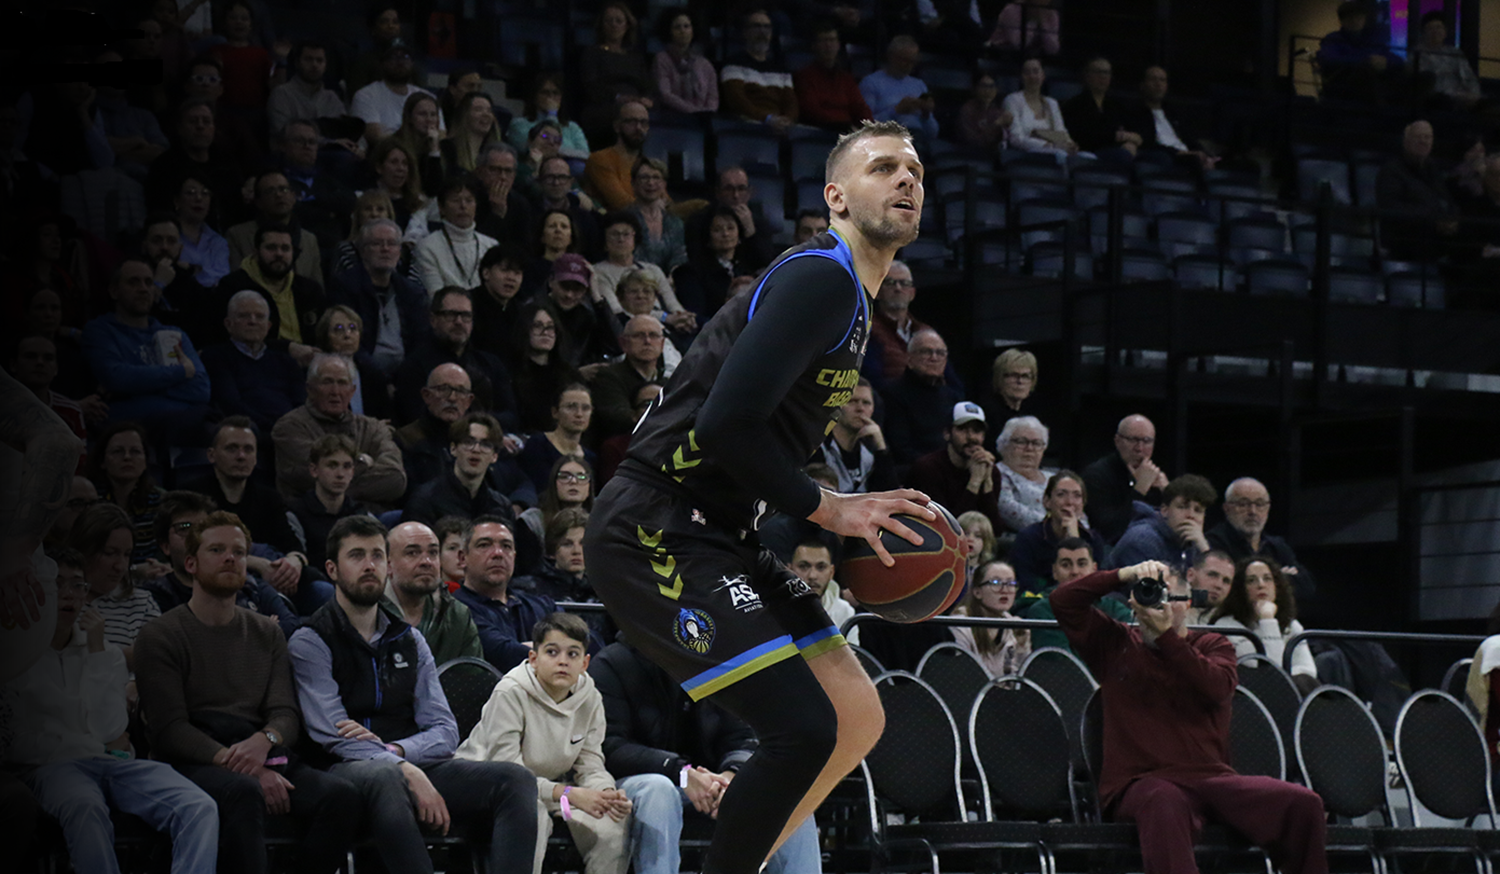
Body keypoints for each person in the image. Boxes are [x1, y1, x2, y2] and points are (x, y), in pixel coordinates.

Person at [584, 120, 934, 874]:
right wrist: (830, 509)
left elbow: (766, 435)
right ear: (836, 196)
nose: (907, 179)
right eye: (884, 168)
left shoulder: (854, 298)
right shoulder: (822, 278)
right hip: (655, 523)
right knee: (804, 728)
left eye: (914, 169)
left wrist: (838, 493)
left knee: (855, 717)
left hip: (718, 527)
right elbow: (724, 427)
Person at [288, 515, 539, 874]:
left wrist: (399, 752)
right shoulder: (311, 639)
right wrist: (402, 768)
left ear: (388, 567)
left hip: (407, 759)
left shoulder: (409, 639)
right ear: (332, 569)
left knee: (515, 780)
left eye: (376, 556)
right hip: (342, 769)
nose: (369, 565)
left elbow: (444, 728)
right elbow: (333, 733)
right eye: (356, 556)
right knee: (385, 777)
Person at [1051, 557, 1330, 874]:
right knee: (1163, 801)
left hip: (1213, 779)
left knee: (1304, 804)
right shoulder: (1115, 643)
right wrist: (1123, 574)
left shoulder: (1213, 644)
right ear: (1133, 600)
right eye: (1153, 594)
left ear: (1190, 605)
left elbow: (1215, 689)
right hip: (1142, 783)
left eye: (1172, 596)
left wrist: (1167, 638)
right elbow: (1063, 600)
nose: (1162, 604)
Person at [135, 511, 362, 874]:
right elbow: (169, 729)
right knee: (241, 793)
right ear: (190, 563)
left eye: (239, 552)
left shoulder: (266, 632)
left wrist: (264, 741)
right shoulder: (160, 635)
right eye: (217, 550)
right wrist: (245, 767)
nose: (230, 558)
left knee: (341, 797)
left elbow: (285, 713)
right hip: (194, 758)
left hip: (261, 748)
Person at [2, 546, 220, 874]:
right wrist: (75, 744)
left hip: (107, 761)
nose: (69, 595)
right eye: (57, 584)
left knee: (199, 805)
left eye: (78, 585)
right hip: (49, 768)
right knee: (84, 805)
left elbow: (109, 727)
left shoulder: (100, 651)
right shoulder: (16, 652)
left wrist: (97, 652)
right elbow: (16, 744)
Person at [589, 638, 825, 874]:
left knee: (789, 799)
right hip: (636, 783)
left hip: (710, 783)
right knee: (657, 790)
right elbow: (611, 747)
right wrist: (681, 772)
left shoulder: (716, 661)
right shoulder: (613, 663)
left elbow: (745, 734)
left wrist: (732, 775)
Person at [456, 612, 633, 874]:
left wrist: (604, 793)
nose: (562, 661)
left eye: (572, 654)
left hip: (550, 791)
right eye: (552, 652)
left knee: (611, 823)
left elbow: (590, 761)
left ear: (585, 663)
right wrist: (571, 794)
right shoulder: (510, 692)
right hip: (490, 788)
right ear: (534, 659)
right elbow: (507, 774)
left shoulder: (591, 696)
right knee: (531, 815)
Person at [182, 417, 319, 610]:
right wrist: (257, 564)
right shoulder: (192, 496)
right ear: (211, 455)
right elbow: (191, 549)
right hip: (219, 586)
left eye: (248, 449)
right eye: (232, 448)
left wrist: (294, 562)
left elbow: (293, 546)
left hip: (276, 581)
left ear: (255, 457)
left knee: (324, 592)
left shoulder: (270, 497)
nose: (241, 456)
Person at [140, 490, 299, 637]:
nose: (196, 536)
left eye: (203, 527)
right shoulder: (154, 596)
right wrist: (263, 629)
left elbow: (291, 625)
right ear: (165, 546)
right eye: (185, 528)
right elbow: (182, 641)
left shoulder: (252, 586)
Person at [81, 259, 211, 432]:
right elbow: (116, 378)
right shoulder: (99, 331)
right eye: (133, 282)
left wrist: (134, 388)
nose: (143, 289)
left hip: (184, 424)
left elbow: (201, 389)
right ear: (114, 291)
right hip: (128, 429)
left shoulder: (174, 333)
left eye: (148, 282)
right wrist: (180, 372)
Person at [271, 354, 408, 506]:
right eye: (327, 382)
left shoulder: (372, 428)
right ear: (310, 389)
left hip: (370, 520)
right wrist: (363, 462)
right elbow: (310, 478)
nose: (335, 391)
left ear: (352, 391)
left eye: (342, 383)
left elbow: (395, 480)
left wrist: (334, 484)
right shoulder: (290, 427)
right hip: (312, 518)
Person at [394, 286, 519, 428]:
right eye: (450, 315)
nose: (459, 321)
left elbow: (511, 417)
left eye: (466, 316)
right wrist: (483, 425)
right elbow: (417, 419)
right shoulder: (414, 367)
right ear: (433, 319)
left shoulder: (490, 364)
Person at [326, 218, 430, 380]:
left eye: (392, 244)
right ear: (363, 250)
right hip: (360, 374)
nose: (385, 249)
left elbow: (421, 343)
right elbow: (349, 344)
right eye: (377, 243)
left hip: (407, 377)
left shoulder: (412, 292)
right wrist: (380, 380)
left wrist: (404, 379)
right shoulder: (345, 286)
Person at [454, 516, 558, 671]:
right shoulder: (454, 609)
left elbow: (587, 642)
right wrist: (560, 651)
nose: (498, 553)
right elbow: (505, 654)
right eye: (484, 545)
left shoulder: (542, 605)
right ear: (463, 558)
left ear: (514, 557)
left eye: (506, 546)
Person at [202, 291, 306, 435]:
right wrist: (276, 428)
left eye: (259, 316)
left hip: (291, 432)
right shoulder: (216, 357)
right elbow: (230, 405)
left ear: (268, 326)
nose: (253, 321)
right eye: (244, 316)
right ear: (228, 324)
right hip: (247, 432)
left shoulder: (286, 361)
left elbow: (301, 404)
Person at [1208, 477, 1317, 608]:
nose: (1253, 512)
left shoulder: (1276, 545)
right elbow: (1229, 590)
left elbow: (1307, 587)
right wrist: (1280, 577)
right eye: (1243, 504)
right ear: (1227, 508)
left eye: (1259, 504)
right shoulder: (1214, 542)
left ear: (1268, 508)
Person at [1211, 558, 1318, 689]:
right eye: (1251, 580)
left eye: (1267, 579)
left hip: (1290, 695)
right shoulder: (1227, 626)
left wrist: (1288, 678)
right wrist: (1267, 619)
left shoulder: (1292, 625)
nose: (1261, 585)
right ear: (1241, 589)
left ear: (1276, 587)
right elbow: (1270, 673)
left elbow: (1308, 671)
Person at [403, 413, 525, 528]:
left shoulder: (502, 507)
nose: (476, 449)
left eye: (486, 445)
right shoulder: (424, 501)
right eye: (468, 442)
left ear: (495, 456)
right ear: (453, 449)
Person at [220, 222, 326, 349]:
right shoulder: (233, 286)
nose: (279, 254)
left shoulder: (310, 289)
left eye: (285, 248)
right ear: (256, 251)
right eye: (271, 248)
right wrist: (287, 348)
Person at [1018, 537, 1134, 652]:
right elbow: (1058, 661)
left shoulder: (1113, 607)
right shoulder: (1042, 611)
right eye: (1066, 565)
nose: (1075, 571)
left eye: (1082, 564)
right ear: (1054, 571)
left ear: (1094, 569)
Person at [1009, 470, 1109, 596]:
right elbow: (1025, 585)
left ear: (1083, 504)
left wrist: (1075, 539)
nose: (1069, 502)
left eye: (1077, 496)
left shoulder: (1093, 539)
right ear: (1047, 501)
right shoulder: (1028, 538)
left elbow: (1099, 583)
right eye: (1061, 495)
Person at [906, 402, 1002, 531]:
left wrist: (987, 484)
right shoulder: (928, 468)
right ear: (947, 433)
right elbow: (945, 527)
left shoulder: (991, 470)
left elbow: (995, 530)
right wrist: (974, 483)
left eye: (977, 431)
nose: (971, 437)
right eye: (962, 429)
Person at [87, 421, 168, 568]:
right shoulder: (89, 500)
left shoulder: (162, 501)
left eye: (135, 451)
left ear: (145, 461)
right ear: (102, 461)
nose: (127, 457)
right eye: (117, 451)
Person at [1376, 120, 1460, 261]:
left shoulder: (1432, 168)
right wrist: (1434, 220)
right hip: (1404, 246)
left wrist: (1453, 219)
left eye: (1427, 137)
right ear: (1406, 140)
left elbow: (1447, 200)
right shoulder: (1390, 171)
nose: (1423, 141)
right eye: (1418, 136)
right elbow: (1391, 209)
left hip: (1434, 244)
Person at [287, 434, 370, 574]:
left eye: (347, 466)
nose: (340, 474)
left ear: (353, 471)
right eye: (332, 465)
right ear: (314, 470)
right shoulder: (296, 512)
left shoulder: (360, 513)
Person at [225, 171, 325, 288]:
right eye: (270, 191)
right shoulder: (237, 235)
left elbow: (318, 286)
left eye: (283, 189)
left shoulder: (309, 240)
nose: (278, 195)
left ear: (293, 196)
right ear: (258, 201)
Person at [1081, 414, 1169, 545]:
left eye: (1146, 441)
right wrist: (1139, 491)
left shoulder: (1157, 477)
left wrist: (1168, 492)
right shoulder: (1096, 475)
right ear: (1117, 441)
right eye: (1133, 440)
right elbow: (1108, 531)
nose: (1140, 448)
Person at [882, 328, 964, 465]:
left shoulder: (953, 397)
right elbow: (900, 449)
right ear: (909, 358)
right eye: (926, 352)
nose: (934, 358)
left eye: (940, 353)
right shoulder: (891, 394)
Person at [577, 3, 656, 144]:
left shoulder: (635, 57)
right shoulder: (592, 53)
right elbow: (591, 86)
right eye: (609, 21)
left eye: (618, 21)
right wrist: (620, 98)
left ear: (627, 26)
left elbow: (647, 86)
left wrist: (646, 99)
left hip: (635, 105)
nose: (614, 25)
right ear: (602, 25)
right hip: (604, 106)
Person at [673, 206, 766, 320]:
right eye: (717, 230)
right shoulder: (690, 272)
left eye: (731, 228)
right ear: (707, 235)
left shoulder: (746, 269)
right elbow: (696, 316)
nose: (725, 234)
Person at [1111, 474, 1216, 570]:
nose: (1191, 515)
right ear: (1165, 510)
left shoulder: (1196, 544)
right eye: (1182, 507)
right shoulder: (1142, 540)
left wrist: (1204, 549)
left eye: (1198, 510)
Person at [591, 212, 683, 320]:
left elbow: (672, 303)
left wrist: (682, 317)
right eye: (615, 234)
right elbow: (617, 310)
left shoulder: (653, 269)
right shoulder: (598, 271)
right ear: (605, 241)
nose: (621, 239)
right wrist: (665, 318)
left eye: (626, 234)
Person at [415, 176, 499, 294]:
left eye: (469, 200)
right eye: (455, 200)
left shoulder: (492, 246)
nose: (463, 206)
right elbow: (435, 296)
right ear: (441, 208)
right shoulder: (427, 247)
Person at [721, 8, 798, 134]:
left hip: (780, 127)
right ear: (745, 32)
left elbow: (791, 102)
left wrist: (787, 120)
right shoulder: (733, 64)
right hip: (748, 127)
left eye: (767, 27)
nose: (762, 32)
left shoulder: (781, 68)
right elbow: (737, 101)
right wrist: (767, 119)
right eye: (756, 26)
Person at [1060, 56, 1149, 164]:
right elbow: (1084, 136)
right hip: (1090, 152)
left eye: (1106, 73)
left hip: (1117, 150)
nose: (1103, 76)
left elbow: (1133, 131)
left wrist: (1132, 141)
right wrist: (1117, 137)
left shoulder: (1116, 105)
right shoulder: (1074, 105)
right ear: (1087, 75)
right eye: (1098, 72)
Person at [591, 316, 668, 439]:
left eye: (653, 335)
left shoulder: (669, 382)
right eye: (639, 335)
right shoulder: (608, 377)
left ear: (662, 343)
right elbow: (618, 418)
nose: (647, 341)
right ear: (623, 343)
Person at [511, 302, 584, 434]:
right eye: (538, 326)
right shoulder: (510, 372)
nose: (545, 333)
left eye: (550, 327)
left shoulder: (570, 375)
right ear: (525, 329)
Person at [685, 168, 777, 271]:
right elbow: (696, 259)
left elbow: (767, 264)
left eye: (741, 189)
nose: (735, 195)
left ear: (749, 193)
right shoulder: (699, 221)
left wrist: (751, 233)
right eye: (729, 189)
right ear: (718, 192)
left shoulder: (760, 223)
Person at [817, 378, 898, 494]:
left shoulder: (870, 453)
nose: (860, 409)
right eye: (852, 401)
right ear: (836, 405)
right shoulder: (818, 447)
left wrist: (882, 450)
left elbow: (890, 495)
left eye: (866, 403)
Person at [951, 559, 1031, 676]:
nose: (1005, 590)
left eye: (1010, 584)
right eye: (995, 583)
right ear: (977, 592)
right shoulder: (961, 624)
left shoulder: (1012, 623)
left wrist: (1022, 646)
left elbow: (1019, 679)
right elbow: (960, 675)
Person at [1136, 66, 1222, 172]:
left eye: (1162, 80)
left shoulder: (1173, 114)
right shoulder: (1136, 113)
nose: (1158, 84)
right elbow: (1147, 143)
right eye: (1153, 79)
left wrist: (1205, 155)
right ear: (1142, 85)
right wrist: (1178, 153)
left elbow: (1189, 139)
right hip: (1167, 156)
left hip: (1188, 155)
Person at [351, 42, 440, 143]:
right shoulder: (365, 95)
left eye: (405, 57)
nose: (400, 62)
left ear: (412, 63)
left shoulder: (428, 97)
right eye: (393, 57)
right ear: (383, 63)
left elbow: (440, 133)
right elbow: (374, 135)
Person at [1318, 1, 1406, 104]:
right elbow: (1330, 59)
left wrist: (1386, 62)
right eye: (1350, 18)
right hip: (1343, 86)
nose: (1355, 21)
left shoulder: (1371, 39)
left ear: (1365, 19)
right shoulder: (1333, 39)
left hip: (1374, 86)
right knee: (1366, 73)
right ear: (1342, 21)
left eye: (1359, 17)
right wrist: (1366, 61)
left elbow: (1396, 59)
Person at [517, 383, 599, 492]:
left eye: (585, 408)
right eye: (571, 407)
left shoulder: (590, 457)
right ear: (555, 412)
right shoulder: (537, 445)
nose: (579, 414)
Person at [863, 259, 933, 387]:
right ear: (877, 291)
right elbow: (871, 378)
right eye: (890, 283)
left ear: (913, 293)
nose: (898, 288)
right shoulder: (867, 329)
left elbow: (951, 383)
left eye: (904, 283)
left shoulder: (926, 333)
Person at [266, 40, 352, 143]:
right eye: (308, 59)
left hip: (331, 154)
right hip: (292, 155)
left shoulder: (331, 98)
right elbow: (283, 134)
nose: (314, 65)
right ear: (297, 63)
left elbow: (344, 131)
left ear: (325, 66)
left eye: (319, 60)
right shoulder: (281, 94)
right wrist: (330, 143)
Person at [860, 36, 940, 144]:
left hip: (917, 139)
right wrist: (896, 111)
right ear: (891, 57)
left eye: (912, 61)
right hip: (886, 140)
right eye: (904, 60)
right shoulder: (871, 83)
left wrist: (926, 114)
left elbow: (933, 133)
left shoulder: (919, 85)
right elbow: (865, 125)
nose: (909, 65)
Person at [513, 508, 598, 610]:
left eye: (583, 543)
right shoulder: (528, 590)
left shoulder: (601, 592)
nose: (576, 551)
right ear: (553, 551)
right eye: (567, 544)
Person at [795, 20, 872, 131]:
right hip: (820, 134)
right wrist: (844, 127)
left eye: (832, 40)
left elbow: (860, 108)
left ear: (838, 45)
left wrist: (869, 128)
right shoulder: (804, 77)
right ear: (814, 46)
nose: (828, 45)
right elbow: (811, 111)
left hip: (848, 133)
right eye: (823, 41)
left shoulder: (846, 79)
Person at [1003, 59, 1083, 161]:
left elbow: (1061, 132)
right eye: (1027, 72)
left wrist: (1070, 144)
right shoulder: (1012, 100)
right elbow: (1016, 139)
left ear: (1043, 76)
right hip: (1026, 153)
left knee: (1088, 157)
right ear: (1021, 77)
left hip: (1056, 150)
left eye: (1036, 72)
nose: (1032, 76)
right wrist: (1048, 146)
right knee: (1060, 155)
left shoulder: (1052, 103)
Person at [507, 74, 592, 169]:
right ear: (535, 96)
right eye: (545, 92)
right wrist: (551, 115)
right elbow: (532, 149)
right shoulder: (519, 124)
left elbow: (585, 154)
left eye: (555, 93)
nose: (551, 97)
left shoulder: (572, 127)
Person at [584, 100, 652, 213]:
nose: (638, 128)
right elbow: (623, 205)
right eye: (631, 122)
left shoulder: (647, 164)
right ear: (617, 126)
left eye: (643, 122)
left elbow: (668, 205)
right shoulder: (601, 159)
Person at [532, 156, 604, 259]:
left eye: (562, 177)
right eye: (550, 177)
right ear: (540, 180)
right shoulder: (528, 212)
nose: (556, 183)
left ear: (571, 182)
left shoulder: (585, 218)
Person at [994, 416, 1056, 534]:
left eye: (1037, 443)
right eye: (1021, 442)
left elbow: (1076, 509)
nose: (1029, 448)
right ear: (1004, 444)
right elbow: (1009, 511)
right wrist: (1057, 526)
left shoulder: (1053, 478)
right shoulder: (997, 474)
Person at [789, 539, 857, 645]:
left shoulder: (845, 612)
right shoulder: (772, 613)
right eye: (803, 566)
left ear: (831, 572)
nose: (812, 576)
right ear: (789, 570)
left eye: (821, 567)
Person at [518, 457, 595, 551]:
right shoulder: (533, 521)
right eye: (564, 476)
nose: (573, 481)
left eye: (581, 477)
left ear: (589, 487)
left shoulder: (601, 521)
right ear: (554, 483)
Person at [653, 10, 719, 117]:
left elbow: (713, 97)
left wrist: (707, 113)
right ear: (669, 31)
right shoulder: (662, 59)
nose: (682, 31)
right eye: (677, 27)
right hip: (672, 119)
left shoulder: (705, 64)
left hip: (703, 121)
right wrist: (694, 112)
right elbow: (665, 94)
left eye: (686, 26)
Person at [627, 158, 688, 274]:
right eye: (644, 177)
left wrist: (672, 277)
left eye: (656, 177)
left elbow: (679, 256)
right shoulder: (624, 218)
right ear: (633, 183)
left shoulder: (675, 222)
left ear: (664, 184)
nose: (650, 183)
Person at [1413, 12, 1483, 109]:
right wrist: (1455, 95)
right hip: (1438, 100)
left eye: (1439, 27)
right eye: (1431, 28)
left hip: (1465, 98)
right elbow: (1426, 85)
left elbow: (1469, 77)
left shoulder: (1454, 52)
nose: (1435, 31)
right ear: (1423, 32)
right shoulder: (1417, 54)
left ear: (1445, 32)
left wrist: (1474, 94)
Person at [173, 171, 232, 287]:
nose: (199, 198)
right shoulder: (168, 237)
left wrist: (193, 269)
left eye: (205, 193)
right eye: (190, 193)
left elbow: (222, 278)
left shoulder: (218, 241)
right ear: (177, 201)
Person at [474, 143, 537, 248]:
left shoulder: (521, 204)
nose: (502, 177)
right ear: (481, 171)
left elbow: (523, 247)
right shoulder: (470, 199)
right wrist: (496, 215)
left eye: (508, 171)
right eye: (495, 170)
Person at [978, 347, 1038, 445]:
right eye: (1013, 375)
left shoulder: (1032, 415)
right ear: (999, 378)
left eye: (1025, 376)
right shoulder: (986, 415)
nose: (1020, 381)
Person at [442, 91, 502, 177]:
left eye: (489, 110)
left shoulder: (494, 153)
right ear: (464, 115)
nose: (486, 114)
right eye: (478, 109)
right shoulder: (448, 149)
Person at [957, 72, 1013, 153]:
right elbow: (973, 142)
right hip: (970, 154)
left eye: (991, 86)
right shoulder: (967, 110)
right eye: (983, 86)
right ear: (976, 88)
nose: (987, 91)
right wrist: (996, 125)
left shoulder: (998, 112)